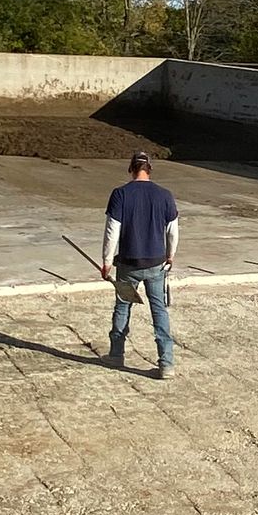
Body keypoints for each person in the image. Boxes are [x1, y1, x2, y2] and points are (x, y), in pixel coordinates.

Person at [101, 150, 179, 377]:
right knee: (159, 311)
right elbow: (173, 232)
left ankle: (116, 355)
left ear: (131, 169)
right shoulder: (165, 195)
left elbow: (111, 232)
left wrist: (106, 262)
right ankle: (166, 363)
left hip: (127, 265)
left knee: (122, 307)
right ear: (149, 169)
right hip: (156, 265)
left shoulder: (120, 194)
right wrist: (170, 256)